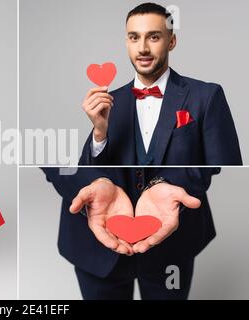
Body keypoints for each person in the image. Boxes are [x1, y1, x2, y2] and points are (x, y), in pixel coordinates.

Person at [79, 2, 242, 165]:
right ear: (127, 42)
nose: (143, 48)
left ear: (171, 42)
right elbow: (88, 180)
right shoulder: (110, 102)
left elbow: (226, 169)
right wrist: (99, 134)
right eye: (134, 37)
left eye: (154, 37)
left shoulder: (207, 97)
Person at [42, 167, 220, 299]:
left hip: (174, 242)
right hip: (94, 245)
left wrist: (173, 182)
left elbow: (213, 151)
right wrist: (92, 181)